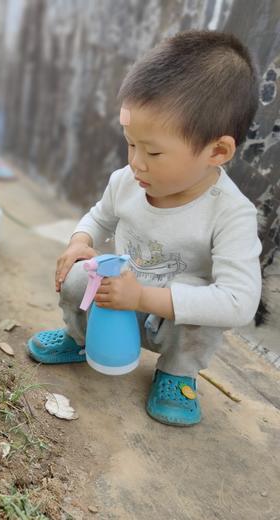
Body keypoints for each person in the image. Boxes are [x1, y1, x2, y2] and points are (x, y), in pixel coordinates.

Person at [27, 30, 262, 427]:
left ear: (216, 151)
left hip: (170, 322)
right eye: (131, 143)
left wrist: (144, 297)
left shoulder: (230, 213)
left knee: (206, 313)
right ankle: (82, 340)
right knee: (77, 277)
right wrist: (80, 242)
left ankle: (176, 374)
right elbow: (100, 216)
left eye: (153, 151)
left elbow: (239, 301)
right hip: (114, 303)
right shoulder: (128, 181)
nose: (136, 162)